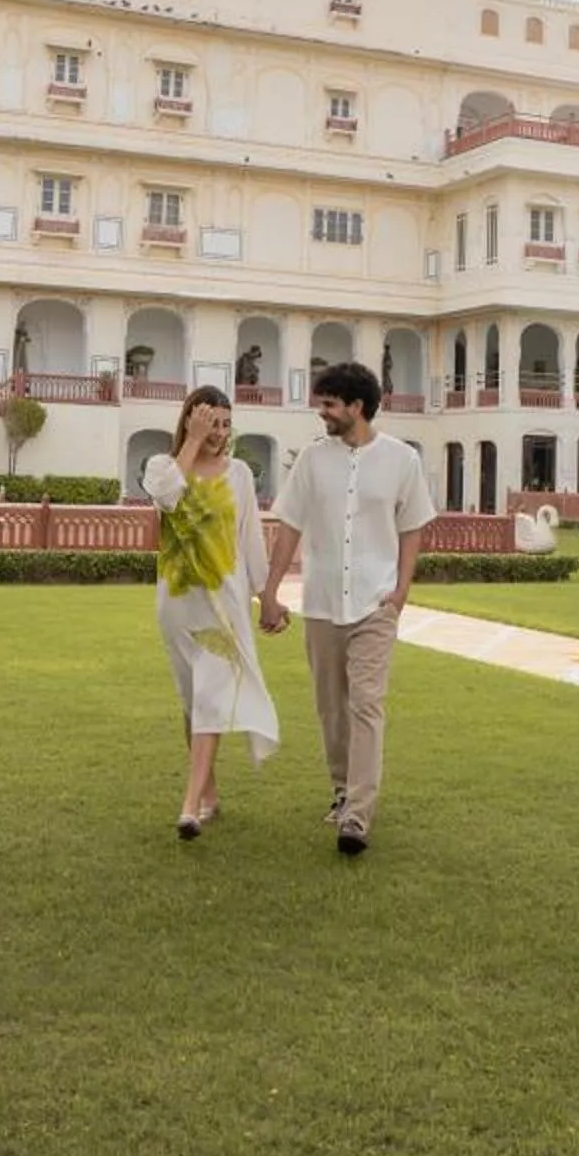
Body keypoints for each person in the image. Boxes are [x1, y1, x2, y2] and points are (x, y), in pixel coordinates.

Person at [260, 361, 435, 857]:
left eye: (329, 404)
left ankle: (356, 816)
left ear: (356, 406)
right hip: (320, 603)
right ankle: (342, 789)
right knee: (331, 710)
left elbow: (412, 527)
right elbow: (289, 525)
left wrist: (401, 591)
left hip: (374, 603)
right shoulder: (313, 461)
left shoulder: (402, 460)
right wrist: (270, 592)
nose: (322, 413)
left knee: (366, 705)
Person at [141, 386, 278, 839]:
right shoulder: (164, 467)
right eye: (209, 423)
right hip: (179, 604)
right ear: (188, 421)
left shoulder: (238, 474)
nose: (219, 433)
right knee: (192, 701)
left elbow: (250, 537)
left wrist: (267, 596)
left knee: (211, 698)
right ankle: (211, 794)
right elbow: (166, 498)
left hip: (225, 605)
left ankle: (189, 805)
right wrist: (192, 443)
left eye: (224, 424)